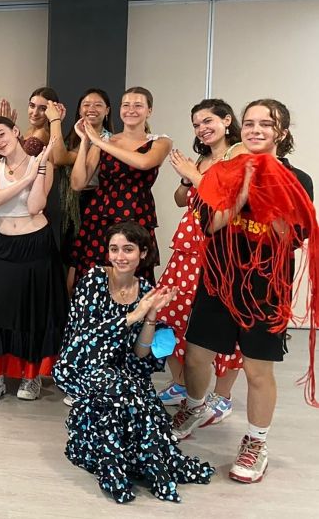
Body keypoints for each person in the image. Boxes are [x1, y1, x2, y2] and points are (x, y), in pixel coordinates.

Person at [172, 99, 317, 485]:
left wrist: (267, 187)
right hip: (219, 280)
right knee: (198, 355)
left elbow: (290, 237)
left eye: (265, 124)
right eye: (249, 122)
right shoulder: (222, 172)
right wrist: (241, 188)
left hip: (265, 289)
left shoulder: (299, 179)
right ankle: (196, 406)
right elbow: (213, 225)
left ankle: (256, 442)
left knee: (257, 370)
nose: (255, 129)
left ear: (281, 133)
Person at [53, 221, 214, 503]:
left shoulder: (146, 290)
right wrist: (134, 315)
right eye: (114, 249)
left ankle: (135, 460)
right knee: (119, 390)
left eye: (128, 249)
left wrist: (150, 316)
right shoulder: (93, 280)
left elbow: (140, 356)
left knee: (135, 392)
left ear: (143, 253)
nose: (120, 256)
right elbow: (86, 342)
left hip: (123, 369)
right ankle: (115, 467)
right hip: (83, 364)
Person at [0, 117, 69, 404]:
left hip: (37, 245)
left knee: (33, 312)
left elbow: (36, 206)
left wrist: (41, 168)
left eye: (2, 134)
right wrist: (25, 178)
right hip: (5, 247)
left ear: (15, 131)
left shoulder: (41, 162)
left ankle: (30, 376)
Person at [156, 99, 246, 421]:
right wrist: (186, 177)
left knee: (217, 322)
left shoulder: (237, 154)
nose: (201, 129)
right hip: (187, 245)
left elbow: (225, 199)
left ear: (226, 120)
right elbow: (183, 200)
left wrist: (194, 175)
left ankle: (222, 395)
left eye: (207, 121)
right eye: (196, 124)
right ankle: (183, 384)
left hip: (218, 246)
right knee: (171, 313)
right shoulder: (203, 157)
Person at [70, 86, 171, 283]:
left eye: (138, 105)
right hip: (101, 216)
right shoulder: (104, 142)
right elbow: (77, 183)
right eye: (126, 105)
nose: (131, 110)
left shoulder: (160, 142)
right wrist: (85, 142)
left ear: (149, 111)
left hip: (137, 215)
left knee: (134, 277)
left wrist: (100, 142)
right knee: (96, 278)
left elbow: (143, 162)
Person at [48, 89, 113, 292]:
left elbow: (61, 158)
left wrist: (55, 122)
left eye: (98, 105)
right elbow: (56, 158)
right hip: (70, 205)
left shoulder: (106, 139)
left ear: (107, 110)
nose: (91, 109)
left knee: (81, 267)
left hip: (93, 204)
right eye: (86, 104)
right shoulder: (77, 136)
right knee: (69, 262)